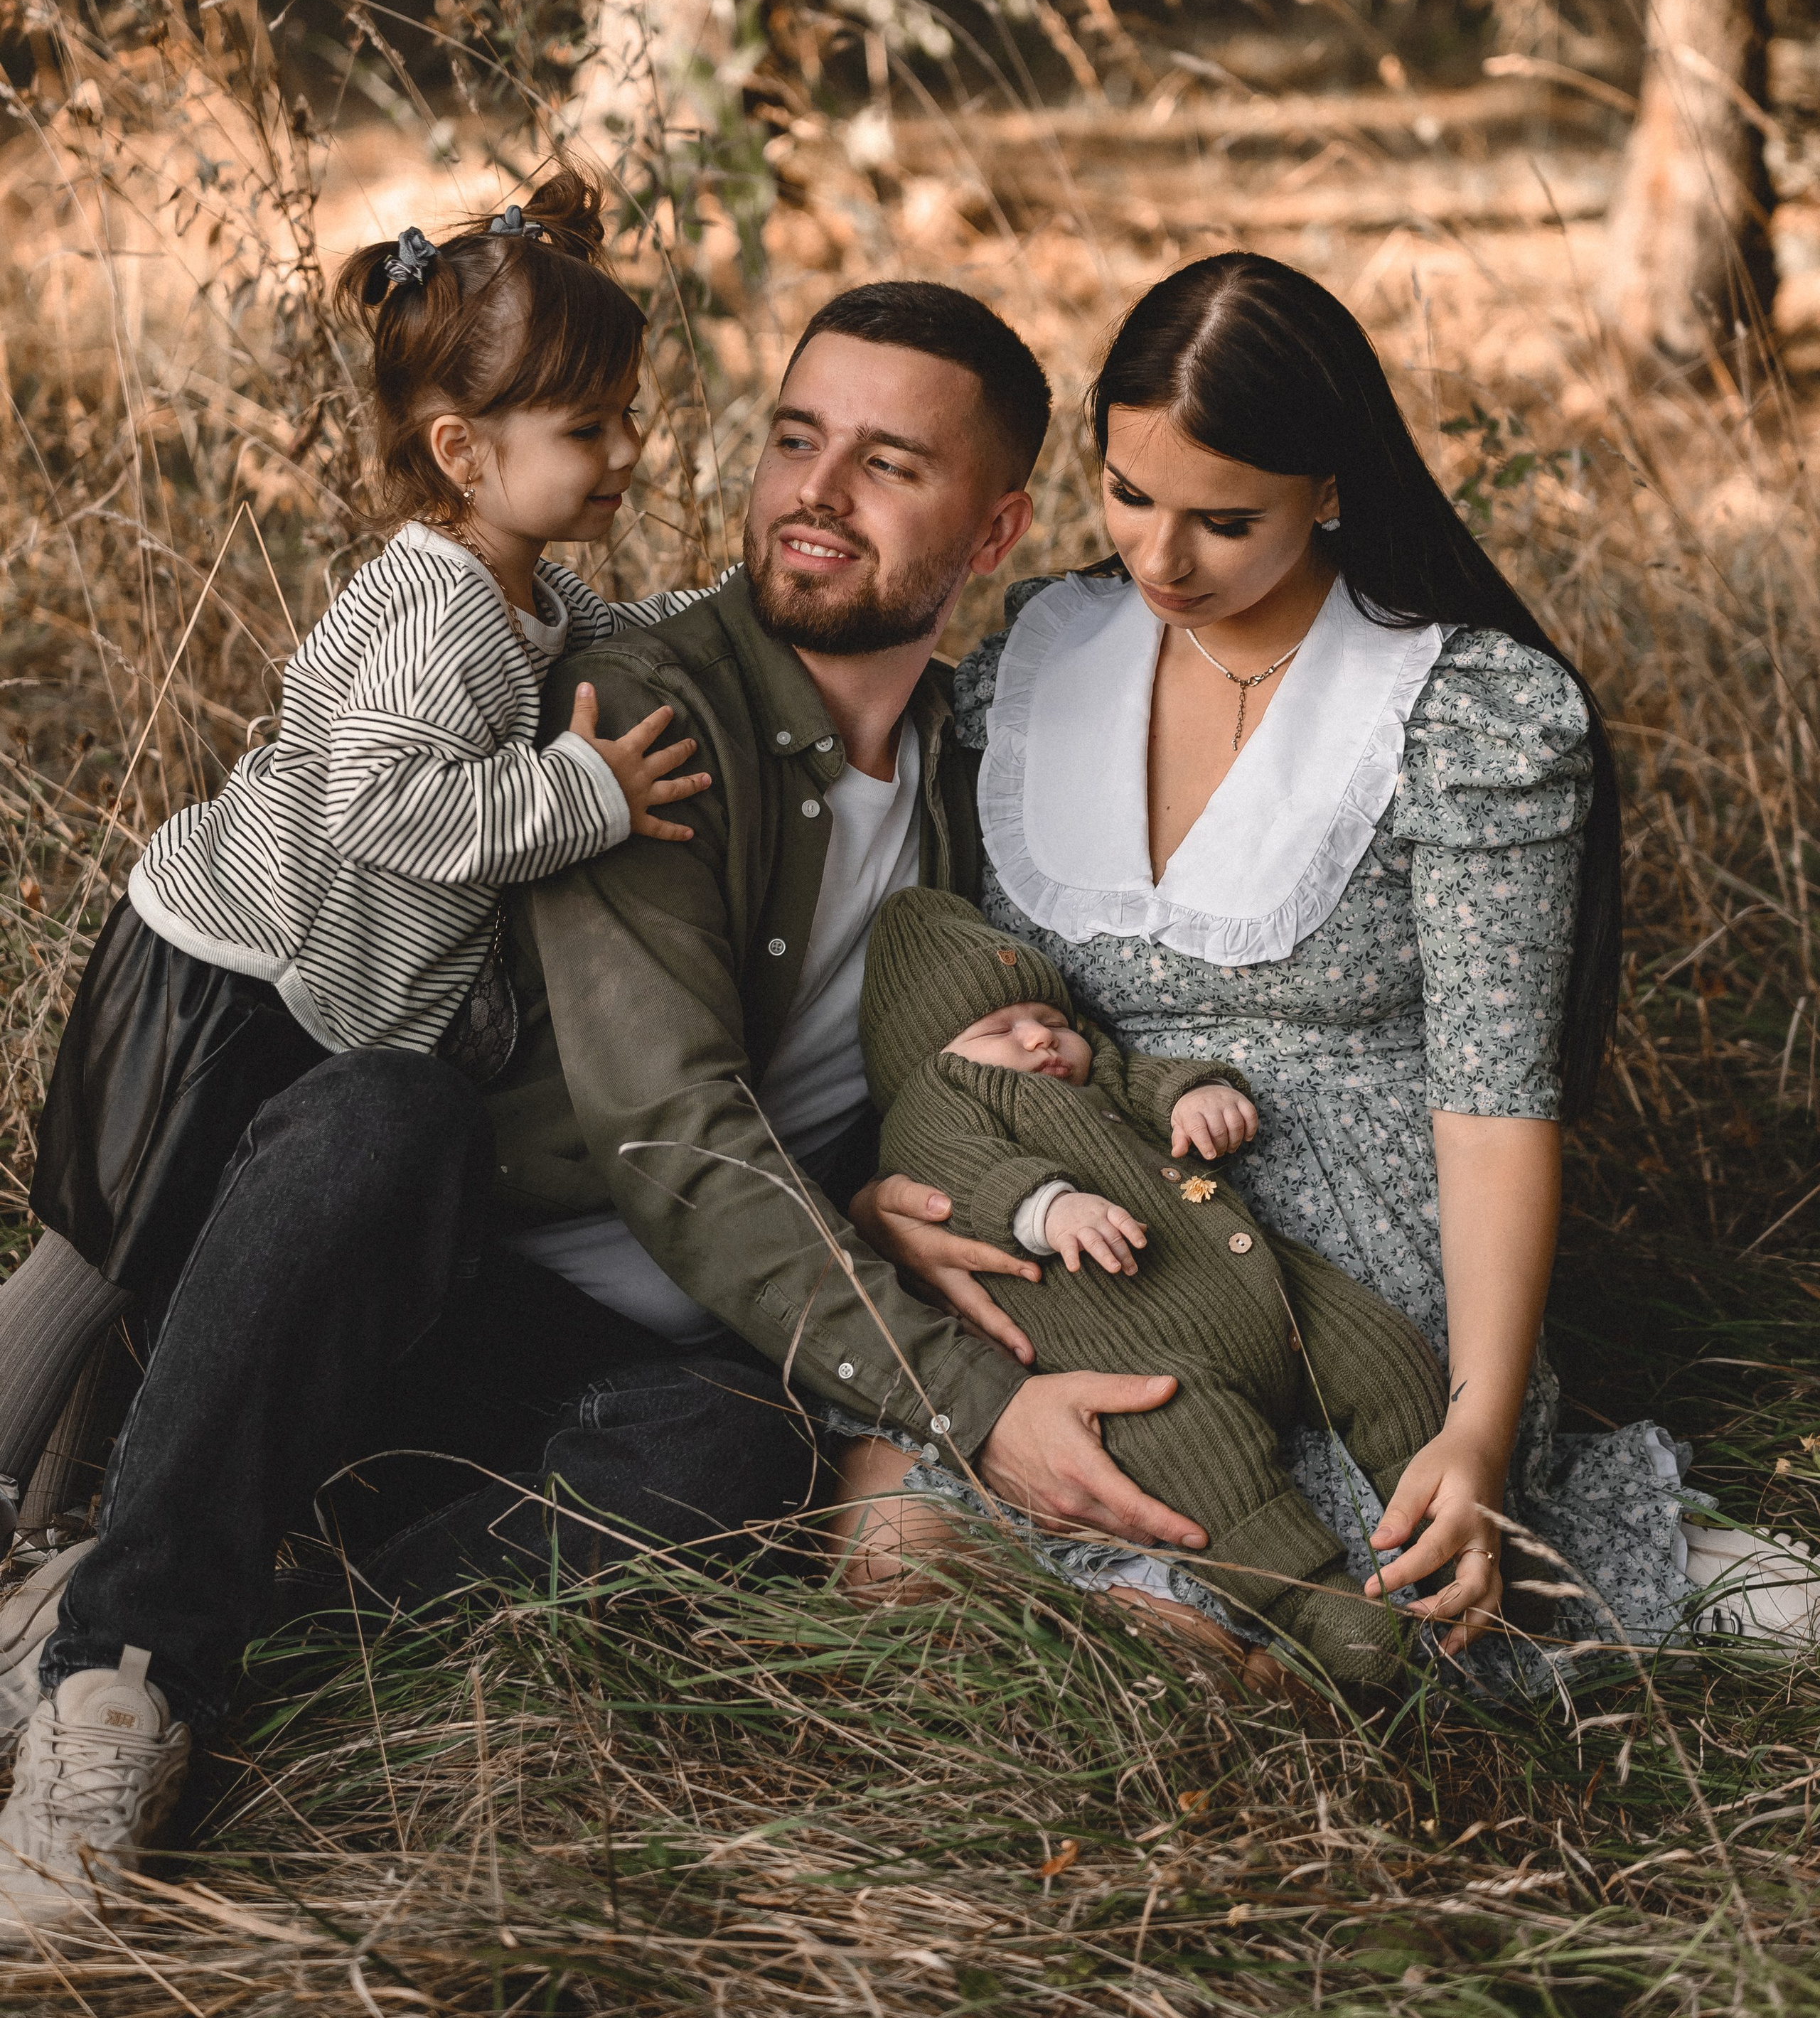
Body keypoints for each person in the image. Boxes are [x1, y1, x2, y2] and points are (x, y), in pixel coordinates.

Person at [0, 281, 1212, 1935]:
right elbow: (672, 1137)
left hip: (637, 1361)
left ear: (992, 525)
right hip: (408, 1282)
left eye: (884, 464)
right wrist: (964, 1402)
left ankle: (213, 1600)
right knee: (385, 1114)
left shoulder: (966, 775)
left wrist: (916, 1182)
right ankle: (119, 1677)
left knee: (739, 1452)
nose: (812, 490)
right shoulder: (636, 715)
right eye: (793, 439)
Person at [852, 252, 1817, 1678]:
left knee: (1209, 1635)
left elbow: (1493, 1108)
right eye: (1126, 494)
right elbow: (947, 995)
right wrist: (901, 1196)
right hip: (1076, 1212)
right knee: (888, 1557)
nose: (1158, 560)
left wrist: (1477, 1427)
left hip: (1344, 1264)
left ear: (1332, 490)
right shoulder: (1037, 660)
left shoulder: (1456, 711)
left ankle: (1579, 1541)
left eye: (1221, 520)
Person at [0, 175, 710, 1561]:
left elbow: (589, 641)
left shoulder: (517, 589)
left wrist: (715, 620)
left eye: (630, 414)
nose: (628, 448)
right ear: (461, 449)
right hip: (223, 974)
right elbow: (381, 801)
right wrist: (582, 795)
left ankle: (52, 1516)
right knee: (89, 1273)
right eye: (588, 427)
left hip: (286, 980)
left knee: (163, 1267)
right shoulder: (433, 611)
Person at [847, 886, 1450, 1690]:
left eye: (1051, 1019)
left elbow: (1146, 1078)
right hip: (1139, 1348)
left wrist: (1198, 1095)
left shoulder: (1092, 1068)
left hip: (1260, 1287)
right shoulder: (939, 1098)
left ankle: (1448, 1530)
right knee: (1205, 1461)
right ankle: (1318, 1607)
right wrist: (1045, 1206)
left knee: (1385, 1357)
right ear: (931, 1058)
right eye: (999, 1030)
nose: (1039, 1037)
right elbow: (953, 1164)